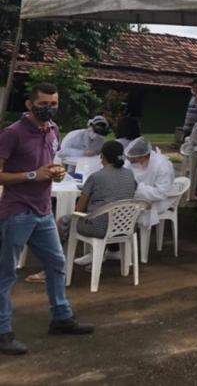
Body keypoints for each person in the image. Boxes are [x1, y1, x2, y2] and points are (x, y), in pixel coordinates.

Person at [0, 82, 94, 356]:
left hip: (43, 212)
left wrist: (57, 172)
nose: (49, 109)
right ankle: (3, 332)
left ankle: (61, 318)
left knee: (56, 263)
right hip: (16, 212)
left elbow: (50, 162)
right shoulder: (12, 134)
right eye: (43, 104)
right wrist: (32, 175)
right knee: (6, 274)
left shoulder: (53, 130)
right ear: (29, 104)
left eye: (53, 104)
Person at [58, 140, 136, 251]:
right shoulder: (130, 174)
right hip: (124, 225)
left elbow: (79, 209)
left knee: (62, 221)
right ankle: (106, 253)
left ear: (102, 157)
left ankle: (59, 258)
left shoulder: (96, 177)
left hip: (99, 228)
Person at [124, 137, 175, 232]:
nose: (132, 163)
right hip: (136, 195)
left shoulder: (162, 165)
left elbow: (161, 193)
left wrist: (137, 188)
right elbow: (124, 173)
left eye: (134, 160)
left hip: (159, 201)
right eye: (131, 160)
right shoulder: (131, 162)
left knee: (128, 210)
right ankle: (122, 237)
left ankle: (130, 236)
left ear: (145, 156)